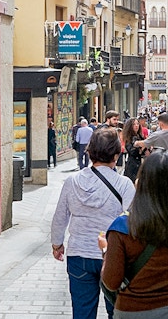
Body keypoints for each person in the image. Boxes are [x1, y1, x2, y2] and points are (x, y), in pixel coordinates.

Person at [100, 149, 168, 318]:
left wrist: (105, 250)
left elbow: (111, 282)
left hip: (132, 310)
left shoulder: (121, 228)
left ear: (140, 181)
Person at [51, 128, 135, 319]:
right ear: (116, 154)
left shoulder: (72, 181)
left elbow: (60, 217)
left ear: (89, 152)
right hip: (114, 255)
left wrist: (57, 244)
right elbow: (132, 222)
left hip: (79, 254)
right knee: (117, 311)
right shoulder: (124, 184)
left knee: (82, 312)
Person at [122, 117, 146, 183]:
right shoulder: (129, 137)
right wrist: (141, 148)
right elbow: (132, 151)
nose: (136, 126)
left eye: (137, 124)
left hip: (140, 164)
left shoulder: (140, 136)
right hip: (132, 165)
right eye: (134, 124)